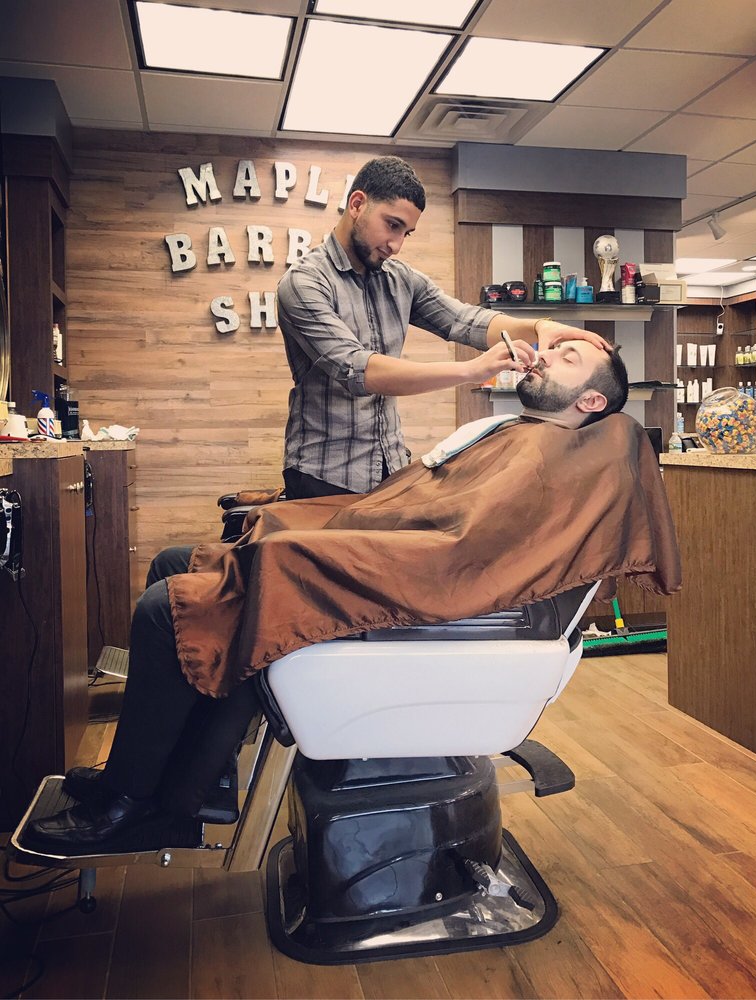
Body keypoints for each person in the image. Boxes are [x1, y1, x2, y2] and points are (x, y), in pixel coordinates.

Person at [25, 340, 680, 855]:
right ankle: (183, 773)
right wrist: (340, 527)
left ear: (591, 401)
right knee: (177, 562)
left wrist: (330, 540)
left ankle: (139, 806)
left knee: (166, 605)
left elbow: (468, 549)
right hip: (412, 556)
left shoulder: (567, 458)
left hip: (436, 586)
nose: (547, 355)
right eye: (553, 347)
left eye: (568, 358)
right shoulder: (517, 434)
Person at [277, 155, 612, 499]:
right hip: (324, 472)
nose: (396, 245)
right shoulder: (304, 284)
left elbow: (464, 320)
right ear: (357, 204)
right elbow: (358, 370)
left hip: (389, 464)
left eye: (406, 233)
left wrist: (540, 327)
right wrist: (471, 370)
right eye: (392, 225)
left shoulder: (399, 279)